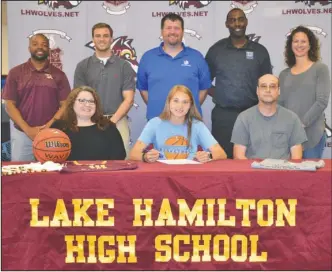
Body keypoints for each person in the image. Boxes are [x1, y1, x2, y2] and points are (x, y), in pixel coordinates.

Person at [205, 8, 272, 159]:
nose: (237, 23)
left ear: (246, 22)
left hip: (253, 114)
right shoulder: (216, 50)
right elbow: (204, 81)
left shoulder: (260, 51)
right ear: (226, 24)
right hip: (224, 116)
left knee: (253, 160)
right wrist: (220, 93)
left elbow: (267, 84)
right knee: (222, 161)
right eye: (232, 20)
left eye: (240, 19)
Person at [2, 34, 71, 161]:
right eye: (35, 44)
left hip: (52, 135)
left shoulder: (59, 75)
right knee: (21, 176)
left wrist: (47, 127)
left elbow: (65, 104)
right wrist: (27, 129)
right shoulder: (15, 73)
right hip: (23, 134)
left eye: (44, 45)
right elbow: (9, 104)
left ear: (49, 49)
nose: (40, 47)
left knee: (51, 177)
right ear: (29, 48)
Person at [74, 22, 135, 158]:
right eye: (98, 36)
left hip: (118, 122)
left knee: (122, 165)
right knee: (89, 163)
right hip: (89, 123)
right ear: (93, 39)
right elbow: (79, 99)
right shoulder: (83, 66)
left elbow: (129, 99)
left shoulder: (124, 66)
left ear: (111, 39)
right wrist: (93, 121)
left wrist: (111, 123)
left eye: (106, 36)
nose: (102, 39)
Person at [136, 13, 211, 121]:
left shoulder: (196, 57)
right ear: (162, 31)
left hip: (189, 122)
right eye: (168, 28)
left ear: (182, 31)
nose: (172, 32)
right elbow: (143, 90)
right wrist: (160, 108)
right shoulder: (148, 58)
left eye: (176, 28)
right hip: (157, 121)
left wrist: (187, 109)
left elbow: (204, 89)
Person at [129, 85, 227, 163]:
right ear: (169, 102)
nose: (180, 106)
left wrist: (208, 156)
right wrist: (145, 157)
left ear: (190, 106)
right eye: (176, 101)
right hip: (163, 174)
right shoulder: (154, 123)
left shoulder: (197, 125)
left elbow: (221, 153)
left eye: (185, 102)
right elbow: (133, 153)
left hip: (190, 173)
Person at [279, 25, 331, 159]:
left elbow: (321, 101)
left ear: (310, 45)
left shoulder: (320, 69)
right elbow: (281, 105)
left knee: (311, 179)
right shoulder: (284, 74)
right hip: (289, 137)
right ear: (291, 45)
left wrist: (301, 124)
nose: (299, 45)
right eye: (296, 41)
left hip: (312, 134)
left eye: (303, 41)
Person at [231, 74, 307, 160]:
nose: (268, 90)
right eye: (263, 86)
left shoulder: (292, 118)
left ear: (278, 91)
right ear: (257, 91)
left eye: (272, 86)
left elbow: (297, 157)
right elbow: (238, 156)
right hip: (253, 171)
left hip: (283, 171)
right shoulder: (244, 118)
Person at [51, 86, 126, 161]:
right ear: (72, 103)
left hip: (101, 172)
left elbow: (119, 157)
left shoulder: (108, 127)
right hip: (68, 172)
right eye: (82, 100)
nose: (87, 104)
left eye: (91, 101)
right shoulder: (58, 127)